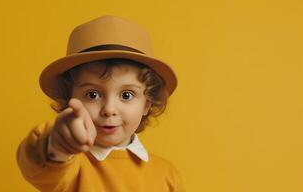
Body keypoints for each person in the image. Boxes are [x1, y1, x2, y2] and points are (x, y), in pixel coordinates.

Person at [16, 15, 185, 192]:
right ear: (69, 100)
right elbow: (38, 167)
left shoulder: (167, 173)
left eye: (127, 95)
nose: (109, 109)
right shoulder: (67, 166)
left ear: (147, 104)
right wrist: (57, 146)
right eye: (93, 94)